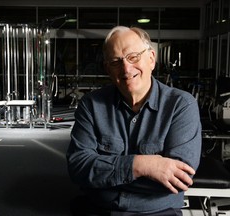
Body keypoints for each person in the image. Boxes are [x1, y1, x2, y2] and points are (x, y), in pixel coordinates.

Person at [66, 26, 202, 216]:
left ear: (151, 59)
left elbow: (180, 178)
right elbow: (78, 167)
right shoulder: (91, 105)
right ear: (107, 69)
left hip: (158, 212)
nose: (126, 68)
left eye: (134, 57)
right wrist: (142, 165)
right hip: (100, 210)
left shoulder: (181, 105)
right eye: (115, 61)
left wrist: (105, 176)